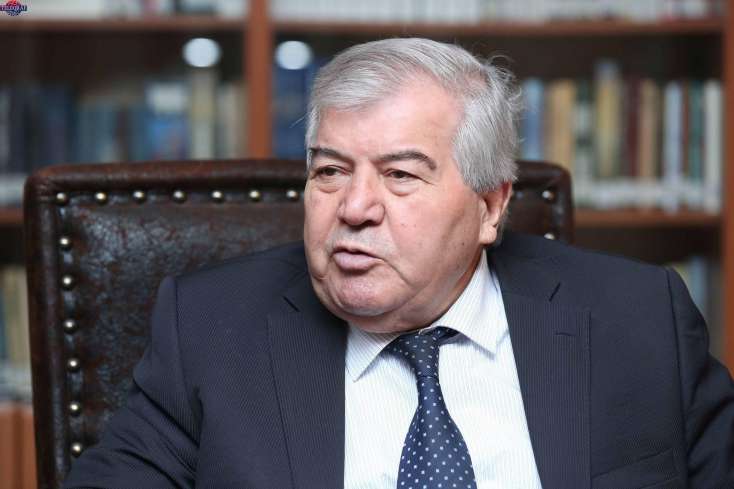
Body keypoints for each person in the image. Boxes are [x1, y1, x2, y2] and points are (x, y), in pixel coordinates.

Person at [64, 38, 733, 489]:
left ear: (490, 207)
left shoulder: (639, 319)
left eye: (400, 175)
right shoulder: (210, 330)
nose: (354, 207)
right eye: (330, 170)